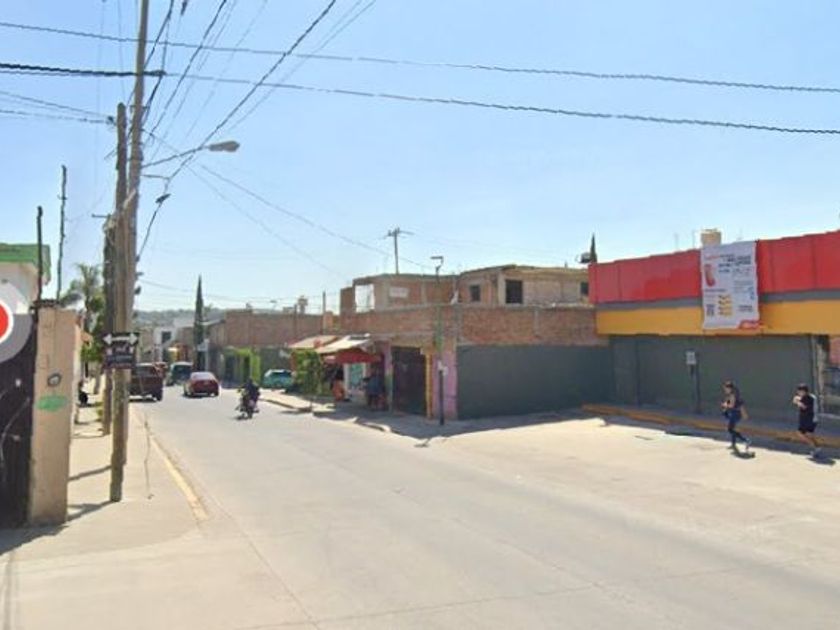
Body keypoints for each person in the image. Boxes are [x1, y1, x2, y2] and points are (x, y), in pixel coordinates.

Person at [721, 380, 751, 451]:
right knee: (733, 428)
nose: (725, 390)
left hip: (735, 414)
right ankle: (733, 444)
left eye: (725, 389)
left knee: (730, 429)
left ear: (729, 388)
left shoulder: (732, 395)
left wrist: (725, 405)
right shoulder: (732, 395)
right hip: (734, 413)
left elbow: (731, 405)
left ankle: (745, 440)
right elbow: (729, 402)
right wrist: (725, 404)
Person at [792, 383, 820, 457]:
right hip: (811, 419)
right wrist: (798, 400)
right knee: (809, 435)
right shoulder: (810, 397)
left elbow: (804, 406)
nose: (798, 393)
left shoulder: (807, 398)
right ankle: (816, 448)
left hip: (809, 420)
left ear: (804, 391)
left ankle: (816, 448)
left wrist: (797, 402)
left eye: (799, 391)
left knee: (800, 433)